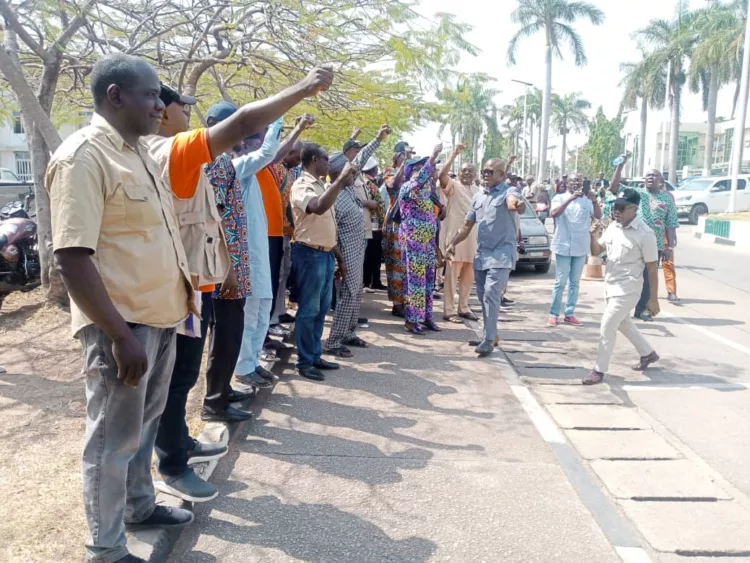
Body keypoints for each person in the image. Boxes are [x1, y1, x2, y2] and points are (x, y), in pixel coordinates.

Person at [47, 53, 198, 563]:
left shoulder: (136, 153)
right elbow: (71, 257)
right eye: (151, 95)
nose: (161, 105)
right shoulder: (83, 156)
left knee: (142, 428)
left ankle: (139, 506)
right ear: (115, 96)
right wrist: (118, 335)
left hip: (158, 318)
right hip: (123, 328)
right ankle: (105, 549)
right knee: (111, 443)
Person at [446, 157, 526, 357]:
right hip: (482, 255)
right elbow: (466, 226)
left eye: (491, 172)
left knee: (491, 294)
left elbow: (513, 202)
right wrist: (452, 244)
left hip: (502, 255)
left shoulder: (509, 192)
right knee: (482, 296)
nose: (486, 174)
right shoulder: (478, 197)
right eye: (485, 171)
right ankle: (490, 334)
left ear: (502, 175)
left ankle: (488, 340)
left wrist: (517, 205)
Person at [290, 143, 356, 381]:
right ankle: (304, 361)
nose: (329, 163)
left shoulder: (322, 185)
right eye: (326, 158)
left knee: (319, 311)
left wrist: (338, 257)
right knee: (308, 311)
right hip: (308, 254)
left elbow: (328, 228)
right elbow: (317, 208)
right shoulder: (301, 185)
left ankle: (314, 355)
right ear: (315, 159)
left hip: (325, 255)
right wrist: (339, 182)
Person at [584, 188, 660, 385]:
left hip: (629, 288)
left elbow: (652, 269)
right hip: (611, 285)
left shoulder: (645, 234)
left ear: (634, 209)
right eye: (615, 207)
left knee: (608, 325)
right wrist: (593, 236)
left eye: (621, 208)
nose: (616, 211)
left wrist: (653, 299)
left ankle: (599, 370)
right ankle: (648, 353)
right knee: (623, 322)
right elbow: (596, 252)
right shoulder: (613, 227)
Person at [607, 158, 678, 321]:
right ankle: (620, 308)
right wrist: (620, 167)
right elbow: (614, 188)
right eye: (648, 176)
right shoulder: (637, 194)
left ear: (661, 181)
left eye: (654, 176)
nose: (650, 178)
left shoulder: (667, 198)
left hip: (656, 244)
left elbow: (671, 223)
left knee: (648, 278)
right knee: (629, 275)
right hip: (632, 242)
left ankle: (642, 310)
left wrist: (670, 247)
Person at [325, 152, 369, 357]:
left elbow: (360, 160)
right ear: (337, 173)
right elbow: (331, 233)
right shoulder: (335, 197)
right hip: (345, 254)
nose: (355, 174)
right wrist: (339, 260)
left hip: (357, 250)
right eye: (351, 172)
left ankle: (349, 333)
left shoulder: (348, 189)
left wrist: (378, 138)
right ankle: (334, 341)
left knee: (356, 292)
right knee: (347, 295)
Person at [399, 144, 443, 335]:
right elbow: (421, 180)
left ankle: (426, 317)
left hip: (427, 241)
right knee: (415, 280)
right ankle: (412, 320)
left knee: (428, 280)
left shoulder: (427, 190)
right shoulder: (408, 186)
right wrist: (432, 156)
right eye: (429, 167)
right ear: (415, 171)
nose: (433, 170)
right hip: (413, 240)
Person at [547, 173, 601, 327]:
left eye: (579, 180)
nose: (576, 183)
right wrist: (570, 199)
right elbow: (554, 213)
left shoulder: (587, 201)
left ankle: (569, 313)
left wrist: (595, 201)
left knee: (574, 283)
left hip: (580, 245)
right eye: (573, 181)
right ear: (567, 183)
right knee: (560, 282)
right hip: (563, 245)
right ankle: (553, 314)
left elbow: (597, 216)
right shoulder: (559, 197)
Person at [437, 143, 479, 323]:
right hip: (455, 238)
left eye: (471, 171)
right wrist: (454, 153)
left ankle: (464, 307)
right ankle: (449, 310)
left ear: (475, 175)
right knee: (452, 277)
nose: (467, 174)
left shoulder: (478, 191)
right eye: (464, 171)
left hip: (473, 240)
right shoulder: (452, 185)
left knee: (469, 277)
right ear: (459, 173)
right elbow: (441, 175)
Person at [383, 152, 407, 317]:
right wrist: (403, 166)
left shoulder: (414, 176)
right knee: (396, 264)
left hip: (410, 224)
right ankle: (397, 304)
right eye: (402, 155)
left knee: (406, 266)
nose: (405, 157)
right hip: (395, 224)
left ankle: (405, 301)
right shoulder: (390, 172)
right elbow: (392, 185)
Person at [362, 157, 388, 291]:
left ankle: (375, 281)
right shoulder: (367, 183)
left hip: (376, 224)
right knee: (371, 254)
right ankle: (367, 282)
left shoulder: (371, 182)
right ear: (372, 169)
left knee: (376, 254)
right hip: (372, 224)